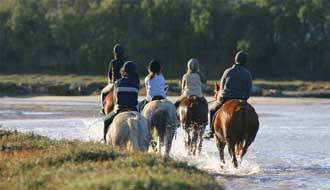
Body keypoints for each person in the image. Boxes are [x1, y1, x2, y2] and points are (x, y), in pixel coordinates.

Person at [204, 51, 252, 139]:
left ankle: (211, 131)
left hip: (226, 99)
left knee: (212, 110)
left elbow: (221, 87)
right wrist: (245, 98)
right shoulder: (247, 73)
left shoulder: (228, 71)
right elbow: (249, 90)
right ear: (245, 61)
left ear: (235, 60)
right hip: (241, 100)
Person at [102, 61, 140, 142]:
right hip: (134, 109)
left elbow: (115, 99)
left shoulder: (117, 82)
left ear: (124, 71)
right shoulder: (136, 83)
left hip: (119, 109)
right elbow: (135, 97)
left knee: (106, 121)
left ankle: (104, 139)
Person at [100, 43, 127, 114]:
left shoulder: (113, 62)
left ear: (115, 53)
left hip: (114, 84)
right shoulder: (126, 62)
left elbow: (109, 76)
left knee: (103, 92)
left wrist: (110, 82)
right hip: (125, 83)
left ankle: (103, 108)